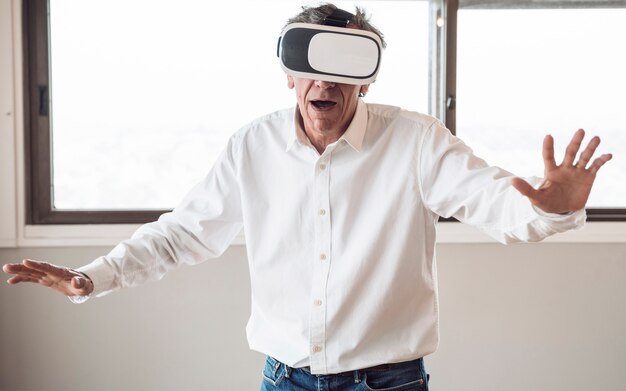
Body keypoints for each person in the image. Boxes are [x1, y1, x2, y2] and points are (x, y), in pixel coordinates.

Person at [3, 4, 613, 391]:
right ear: (289, 74)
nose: (324, 81)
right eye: (309, 63)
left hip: (388, 383)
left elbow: (489, 199)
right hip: (283, 379)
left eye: (343, 65)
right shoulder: (252, 146)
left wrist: (548, 208)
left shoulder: (417, 141)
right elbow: (183, 233)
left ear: (365, 77)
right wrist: (90, 279)